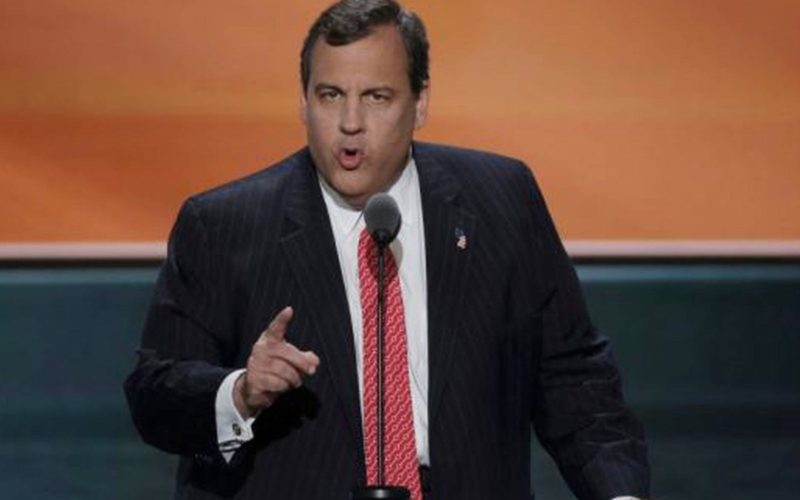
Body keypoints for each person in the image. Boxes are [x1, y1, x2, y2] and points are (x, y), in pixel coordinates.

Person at [124, 1, 650, 499]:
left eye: (377, 97)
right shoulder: (224, 225)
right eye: (330, 95)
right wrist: (240, 392)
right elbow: (153, 393)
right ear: (303, 101)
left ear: (419, 103)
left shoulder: (502, 201)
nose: (350, 122)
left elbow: (573, 379)